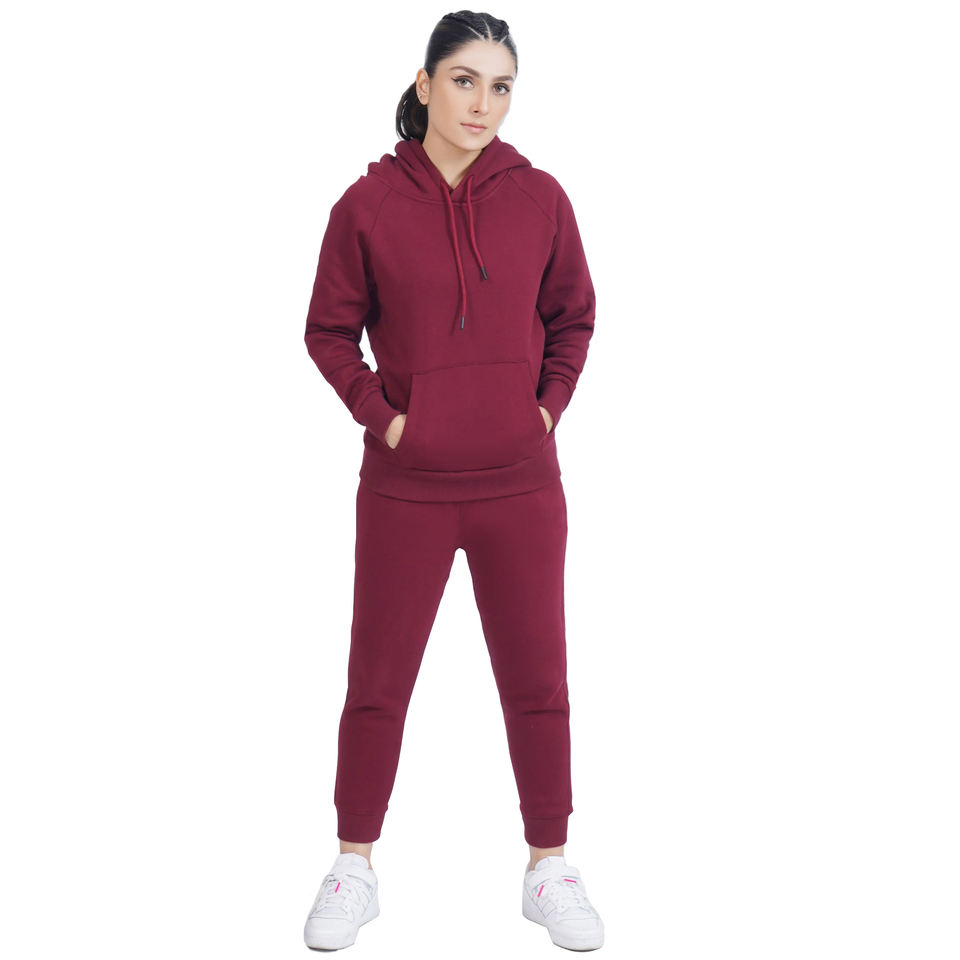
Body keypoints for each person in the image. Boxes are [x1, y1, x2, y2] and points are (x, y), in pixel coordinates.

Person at [301, 11, 603, 951]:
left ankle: (549, 867)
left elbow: (574, 317)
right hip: (406, 488)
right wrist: (388, 418)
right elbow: (326, 330)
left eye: (501, 86)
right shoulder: (366, 207)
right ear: (425, 83)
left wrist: (543, 410)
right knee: (377, 681)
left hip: (522, 485)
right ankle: (354, 865)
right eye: (465, 80)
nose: (483, 104)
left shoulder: (541, 198)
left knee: (538, 681)